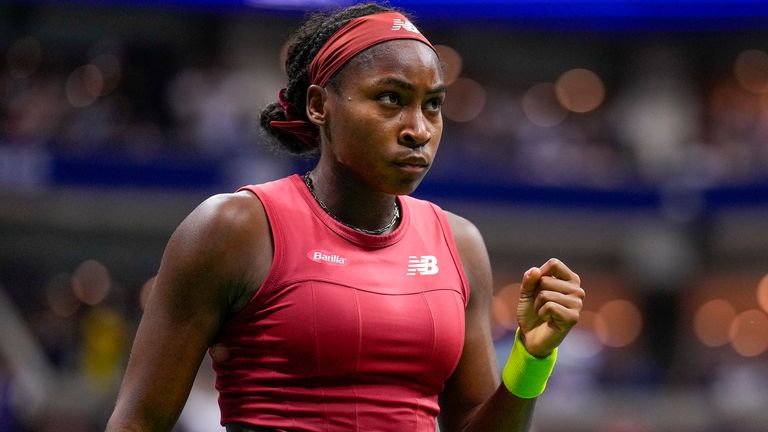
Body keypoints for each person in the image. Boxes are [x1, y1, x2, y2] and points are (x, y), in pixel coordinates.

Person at [106, 3, 585, 431]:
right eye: (391, 99)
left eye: (432, 105)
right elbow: (139, 421)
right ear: (319, 105)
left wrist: (532, 357)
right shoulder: (233, 229)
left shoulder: (459, 245)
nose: (418, 130)